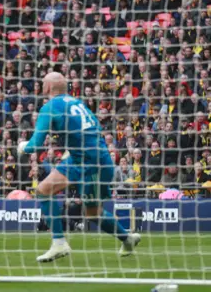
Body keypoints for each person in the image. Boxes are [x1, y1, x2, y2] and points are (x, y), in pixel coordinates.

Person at [17, 72, 141, 262]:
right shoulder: (78, 103)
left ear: (48, 88)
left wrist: (22, 146)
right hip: (95, 159)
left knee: (84, 209)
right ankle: (127, 238)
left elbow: (35, 145)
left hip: (89, 164)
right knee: (86, 210)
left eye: (43, 83)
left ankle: (59, 243)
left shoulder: (49, 107)